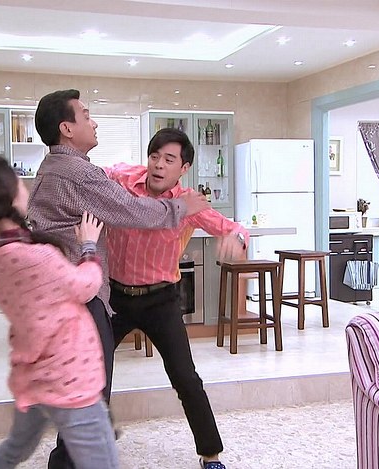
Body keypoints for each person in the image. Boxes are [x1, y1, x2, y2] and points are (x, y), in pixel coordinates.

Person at [28, 89, 210, 469]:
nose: (93, 122)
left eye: (169, 159)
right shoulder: (79, 173)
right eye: (85, 115)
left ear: (183, 167)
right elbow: (131, 210)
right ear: (67, 128)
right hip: (81, 297)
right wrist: (181, 206)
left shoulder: (53, 167)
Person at [0, 156, 118, 469]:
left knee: (16, 449)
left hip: (33, 376)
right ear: (10, 197)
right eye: (21, 184)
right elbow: (86, 286)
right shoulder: (36, 257)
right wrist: (89, 246)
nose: (27, 189)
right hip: (68, 377)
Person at [105, 128, 249, 469]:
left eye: (169, 159)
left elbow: (233, 227)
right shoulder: (123, 179)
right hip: (114, 298)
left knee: (186, 377)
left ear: (183, 168)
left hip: (161, 301)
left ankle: (211, 454)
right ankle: (95, 434)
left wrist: (237, 240)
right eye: (155, 156)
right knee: (91, 371)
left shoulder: (189, 204)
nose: (158, 165)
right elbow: (91, 177)